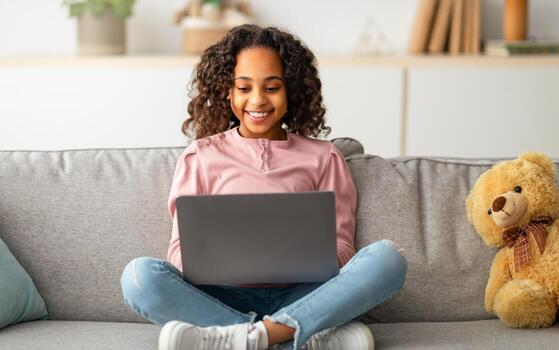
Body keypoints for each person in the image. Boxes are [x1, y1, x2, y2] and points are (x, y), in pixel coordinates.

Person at [120, 24, 407, 350]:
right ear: (227, 91)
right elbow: (178, 252)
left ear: (292, 92)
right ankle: (298, 336)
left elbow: (342, 249)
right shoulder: (199, 157)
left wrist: (304, 255)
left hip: (305, 292)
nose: (257, 100)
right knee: (138, 277)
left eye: (272, 87)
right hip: (221, 296)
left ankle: (245, 338)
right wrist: (219, 259)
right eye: (244, 88)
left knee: (388, 260)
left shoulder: (324, 157)